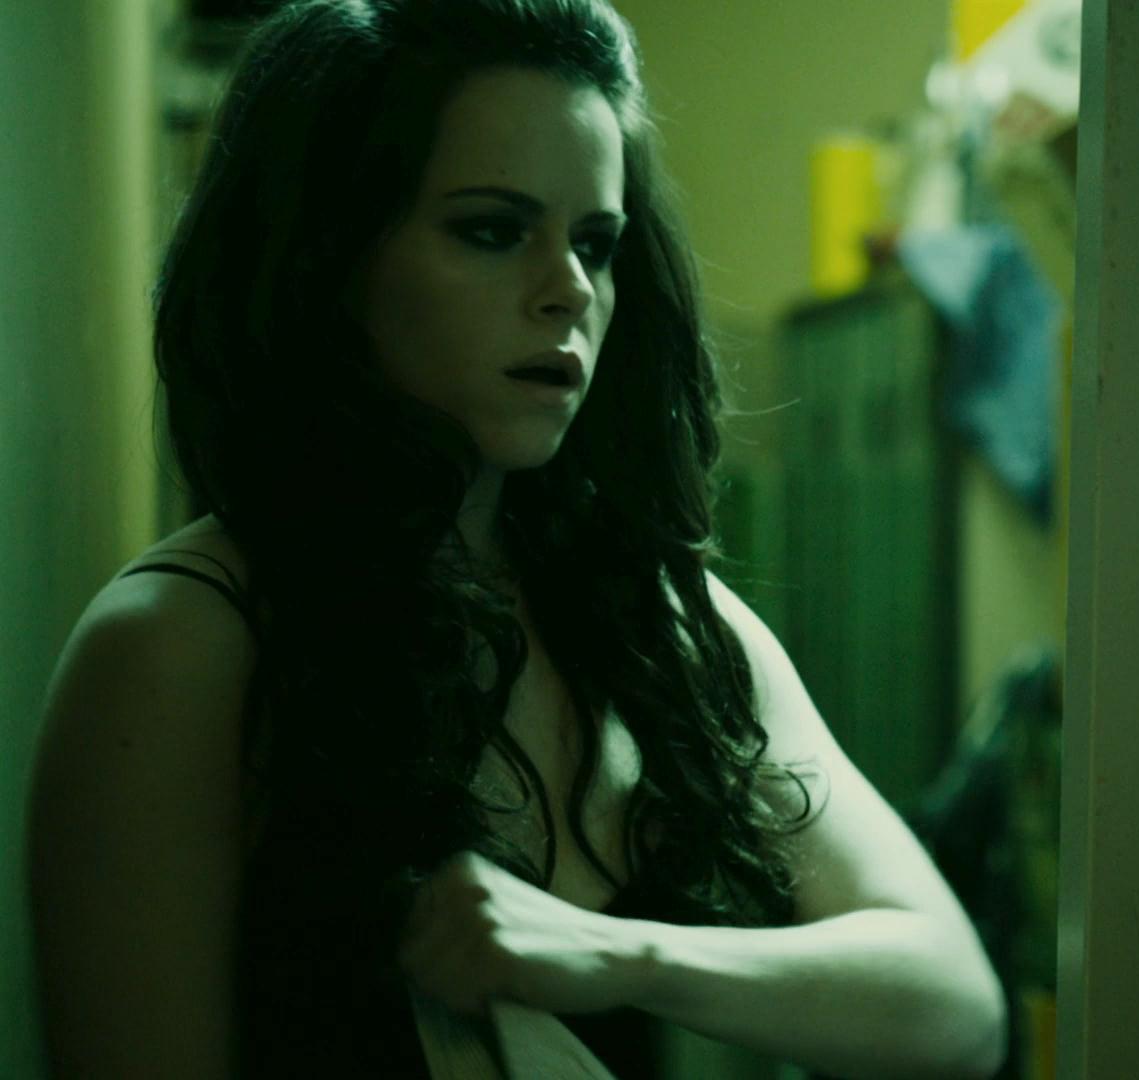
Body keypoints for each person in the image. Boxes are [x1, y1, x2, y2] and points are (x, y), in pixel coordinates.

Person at [26, 1, 1006, 1076]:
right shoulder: (179, 647)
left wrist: (617, 956)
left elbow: (954, 1007)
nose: (569, 290)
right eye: (492, 230)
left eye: (596, 243)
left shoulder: (658, 628)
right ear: (326, 258)